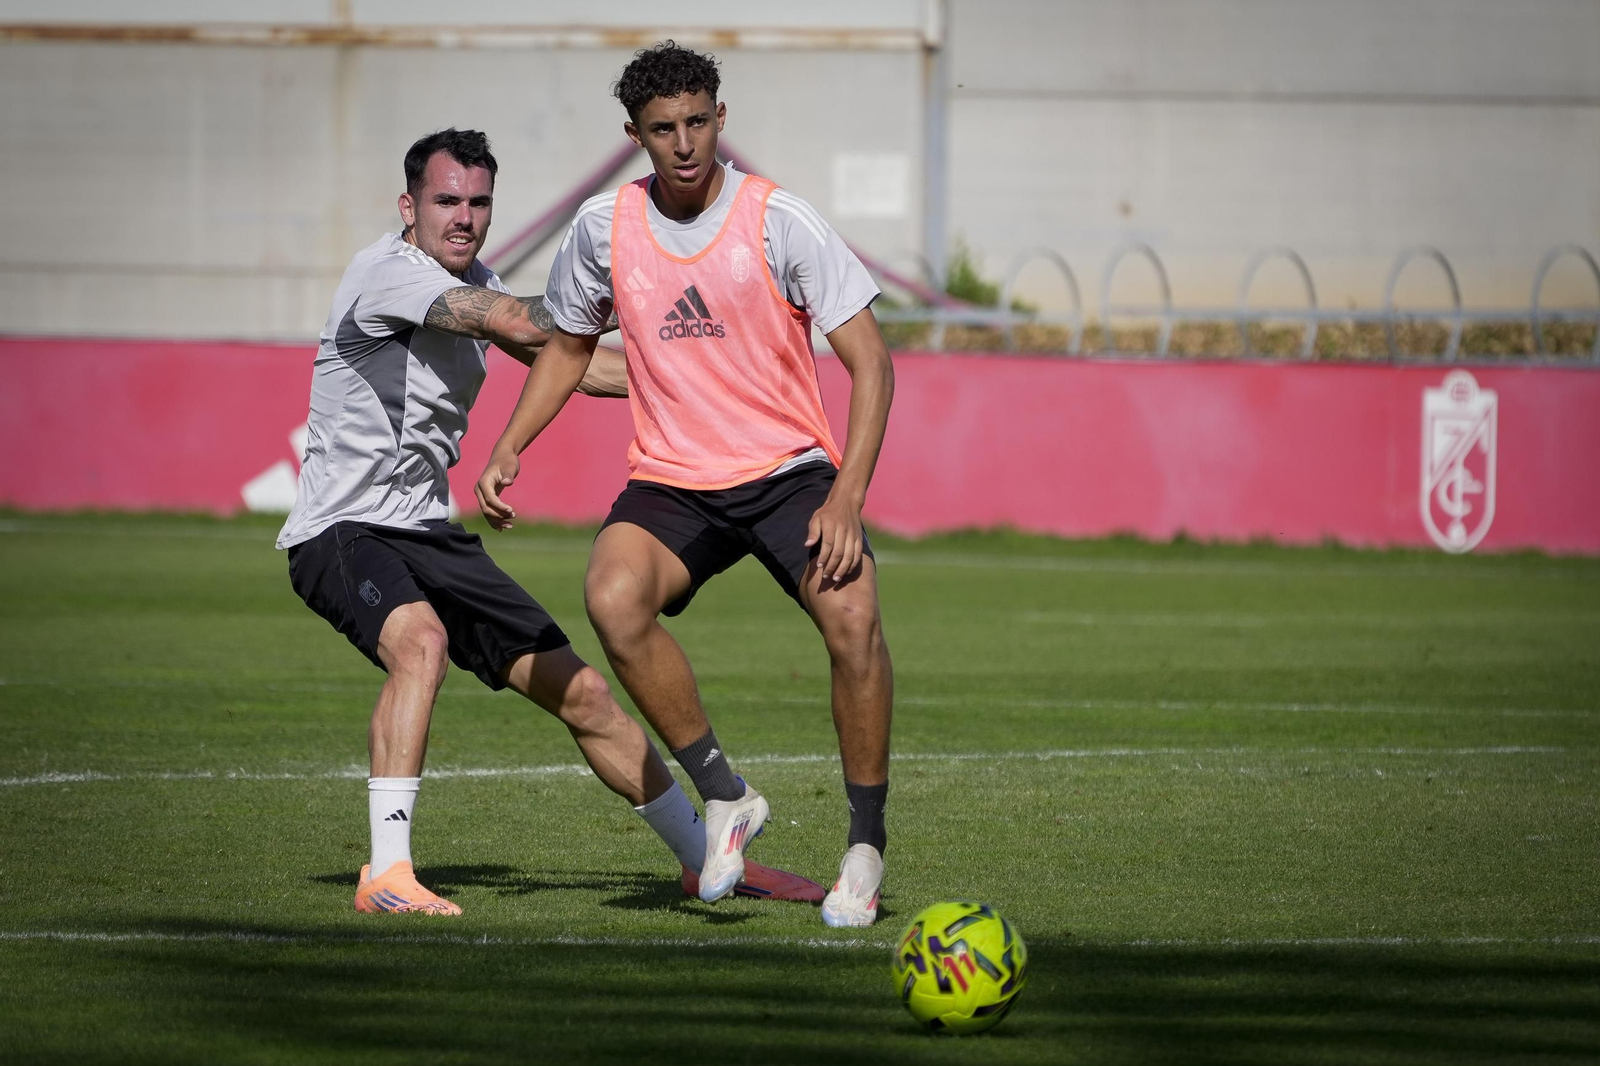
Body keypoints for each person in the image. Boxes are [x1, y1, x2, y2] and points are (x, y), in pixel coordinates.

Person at [277, 127, 823, 915]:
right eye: (446, 201)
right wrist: (648, 288)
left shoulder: (482, 280)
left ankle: (704, 860)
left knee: (587, 694)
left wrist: (697, 372)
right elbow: (527, 325)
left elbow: (575, 363)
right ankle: (387, 873)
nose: (464, 217)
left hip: (428, 530)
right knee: (421, 644)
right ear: (409, 206)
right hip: (341, 529)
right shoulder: (387, 275)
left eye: (478, 202)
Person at [476, 44, 896, 927]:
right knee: (612, 597)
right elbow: (569, 346)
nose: (684, 142)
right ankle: (726, 795)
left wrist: (846, 496)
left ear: (720, 118)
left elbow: (872, 363)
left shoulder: (780, 220)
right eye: (663, 128)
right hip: (675, 478)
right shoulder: (604, 226)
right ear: (634, 134)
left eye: (698, 121)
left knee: (854, 617)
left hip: (788, 474)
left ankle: (864, 849)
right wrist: (511, 443)